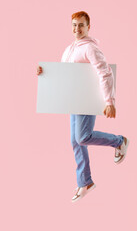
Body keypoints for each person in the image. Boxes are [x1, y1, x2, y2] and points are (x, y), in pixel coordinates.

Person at [36, 11, 130, 203]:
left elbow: (105, 73)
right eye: (74, 25)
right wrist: (44, 73)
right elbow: (63, 74)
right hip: (73, 101)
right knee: (75, 141)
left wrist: (109, 102)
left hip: (86, 101)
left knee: (82, 137)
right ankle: (85, 182)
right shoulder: (69, 49)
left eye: (81, 25)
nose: (77, 28)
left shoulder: (90, 48)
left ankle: (119, 141)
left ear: (88, 27)